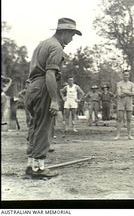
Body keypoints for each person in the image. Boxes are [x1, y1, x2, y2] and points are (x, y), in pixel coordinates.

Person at [24, 17, 82, 178]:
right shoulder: (56, 47)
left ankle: (31, 165)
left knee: (35, 126)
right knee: (44, 126)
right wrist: (55, 100)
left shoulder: (43, 44)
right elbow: (50, 74)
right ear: (63, 32)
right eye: (71, 34)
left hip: (32, 86)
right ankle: (39, 168)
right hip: (44, 86)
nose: (72, 39)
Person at [114, 70, 134, 140]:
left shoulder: (132, 84)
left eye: (127, 75)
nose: (126, 76)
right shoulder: (119, 83)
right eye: (124, 75)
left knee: (129, 119)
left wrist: (125, 91)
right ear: (122, 75)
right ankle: (118, 135)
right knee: (119, 119)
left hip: (129, 102)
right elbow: (120, 94)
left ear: (129, 76)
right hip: (121, 102)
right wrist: (129, 92)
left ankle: (129, 135)